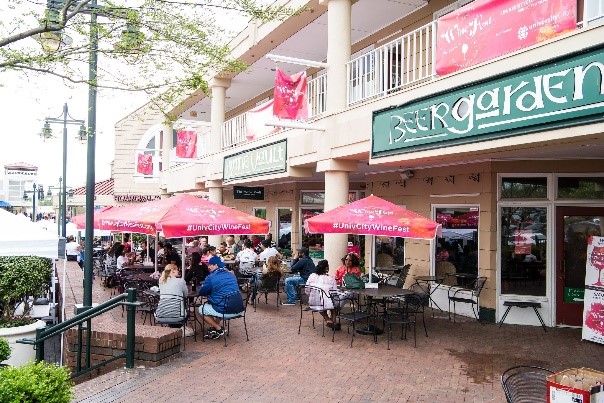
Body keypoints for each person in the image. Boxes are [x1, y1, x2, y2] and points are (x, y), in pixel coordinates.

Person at [198, 256, 244, 340]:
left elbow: (201, 292)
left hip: (225, 310)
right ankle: (215, 328)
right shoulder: (231, 275)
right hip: (239, 309)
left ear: (215, 265)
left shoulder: (211, 277)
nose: (208, 267)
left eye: (210, 265)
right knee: (217, 301)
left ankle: (219, 329)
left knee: (201, 309)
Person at [306, 260, 339, 329]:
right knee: (333, 302)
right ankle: (333, 320)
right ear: (326, 268)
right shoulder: (331, 278)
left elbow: (307, 290)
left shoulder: (312, 276)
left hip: (313, 303)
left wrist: (312, 295)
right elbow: (334, 292)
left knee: (321, 301)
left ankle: (327, 318)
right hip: (327, 304)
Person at [156, 263, 189, 329]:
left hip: (160, 315)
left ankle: (172, 329)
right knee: (185, 310)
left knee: (171, 310)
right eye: (177, 269)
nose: (178, 271)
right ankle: (176, 330)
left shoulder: (161, 281)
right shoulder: (181, 281)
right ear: (172, 270)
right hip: (178, 316)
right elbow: (186, 295)